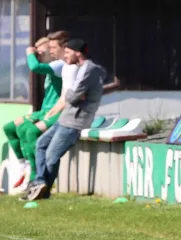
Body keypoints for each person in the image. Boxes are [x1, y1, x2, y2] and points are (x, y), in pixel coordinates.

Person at [27, 39, 106, 201]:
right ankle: (40, 183)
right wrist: (72, 95)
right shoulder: (83, 68)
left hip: (74, 122)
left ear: (78, 53)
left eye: (68, 52)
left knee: (51, 156)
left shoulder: (88, 70)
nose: (65, 56)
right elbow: (75, 95)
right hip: (65, 118)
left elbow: (74, 96)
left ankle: (43, 191)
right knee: (41, 144)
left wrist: (71, 94)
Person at [2, 35, 65, 189]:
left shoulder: (59, 65)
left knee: (28, 130)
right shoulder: (52, 67)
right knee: (9, 127)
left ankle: (34, 173)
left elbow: (34, 67)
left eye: (41, 53)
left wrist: (29, 53)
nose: (41, 56)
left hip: (55, 111)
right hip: (44, 110)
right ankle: (24, 165)